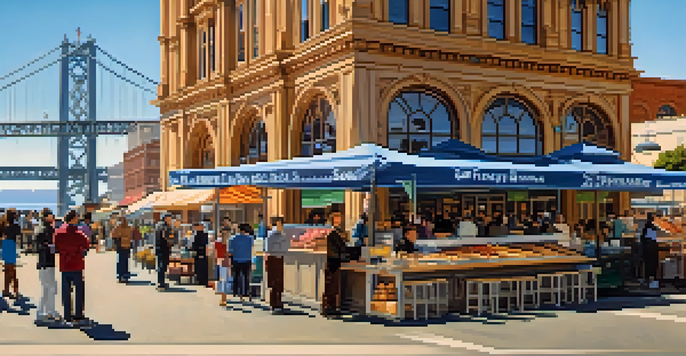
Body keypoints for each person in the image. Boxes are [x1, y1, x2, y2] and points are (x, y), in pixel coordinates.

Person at [53, 210, 90, 325]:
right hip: (76, 264)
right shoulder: (78, 233)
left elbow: (56, 246)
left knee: (66, 291)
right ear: (73, 218)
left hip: (64, 264)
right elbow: (86, 244)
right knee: (79, 290)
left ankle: (67, 314)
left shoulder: (58, 232)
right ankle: (78, 314)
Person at [35, 210, 59, 322]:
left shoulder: (39, 229)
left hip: (43, 262)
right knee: (50, 287)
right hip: (47, 262)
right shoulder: (48, 230)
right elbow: (46, 245)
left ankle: (44, 311)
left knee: (47, 287)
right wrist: (51, 247)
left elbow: (38, 246)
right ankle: (48, 311)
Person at [322, 211, 347, 317]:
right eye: (337, 219)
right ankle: (330, 307)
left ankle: (328, 307)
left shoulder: (330, 231)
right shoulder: (333, 232)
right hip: (333, 260)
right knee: (332, 285)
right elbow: (341, 246)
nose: (339, 221)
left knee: (329, 285)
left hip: (330, 260)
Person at [264, 217, 288, 313]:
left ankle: (276, 302)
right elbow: (284, 246)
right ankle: (275, 303)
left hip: (275, 257)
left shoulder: (276, 234)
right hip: (275, 258)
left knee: (276, 282)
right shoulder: (275, 234)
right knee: (276, 281)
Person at [228, 223, 254, 301]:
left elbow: (230, 251)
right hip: (247, 259)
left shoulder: (232, 238)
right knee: (246, 277)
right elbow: (252, 247)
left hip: (236, 259)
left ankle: (236, 291)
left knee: (236, 276)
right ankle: (245, 292)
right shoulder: (250, 238)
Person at [2, 209, 21, 299]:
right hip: (11, 245)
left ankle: (6, 289)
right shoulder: (16, 226)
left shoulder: (3, 224)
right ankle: (15, 290)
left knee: (7, 269)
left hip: (5, 245)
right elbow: (18, 235)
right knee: (12, 270)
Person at [155, 214, 174, 291]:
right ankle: (161, 284)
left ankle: (160, 282)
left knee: (160, 266)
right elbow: (165, 236)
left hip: (159, 247)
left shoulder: (157, 225)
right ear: (165, 218)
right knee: (163, 266)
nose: (170, 220)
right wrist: (170, 242)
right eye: (169, 218)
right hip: (164, 248)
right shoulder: (165, 226)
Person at [641, 212, 660, 289]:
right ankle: (652, 281)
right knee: (652, 265)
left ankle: (649, 280)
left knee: (648, 265)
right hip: (651, 249)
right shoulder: (651, 226)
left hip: (647, 248)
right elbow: (652, 238)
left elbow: (643, 238)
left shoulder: (647, 226)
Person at [111, 216, 132, 283]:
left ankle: (122, 276)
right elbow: (113, 235)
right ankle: (123, 276)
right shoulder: (126, 227)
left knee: (122, 262)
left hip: (123, 246)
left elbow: (113, 235)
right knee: (123, 262)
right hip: (124, 246)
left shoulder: (121, 227)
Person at [191, 222, 209, 287]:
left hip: (203, 252)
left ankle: (203, 280)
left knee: (203, 267)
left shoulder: (205, 235)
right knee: (198, 267)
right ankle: (198, 279)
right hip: (197, 253)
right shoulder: (194, 235)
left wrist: (206, 253)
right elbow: (192, 244)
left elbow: (206, 245)